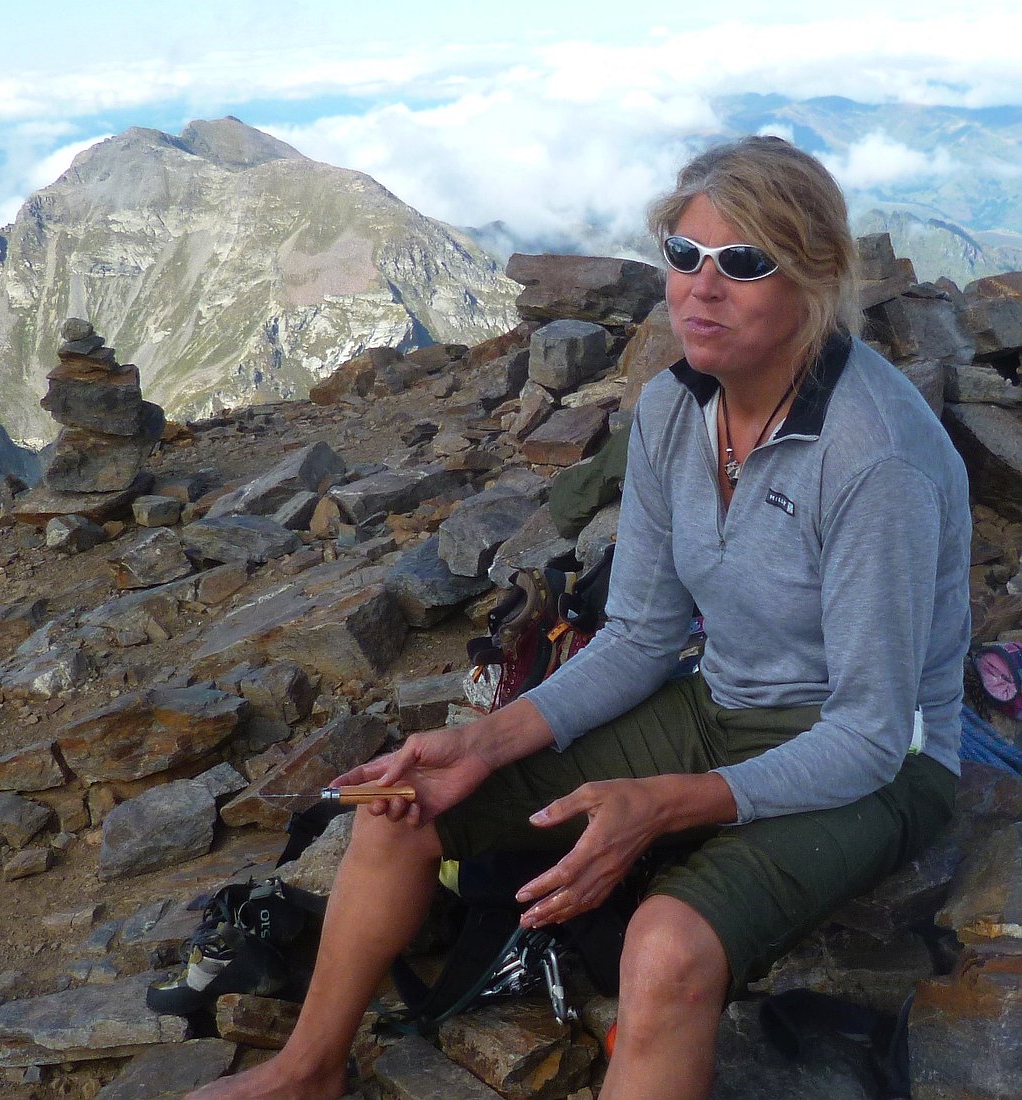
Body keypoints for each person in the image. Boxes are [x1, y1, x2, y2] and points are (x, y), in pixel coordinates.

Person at [183, 135, 971, 1100]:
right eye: (683, 255)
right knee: (407, 807)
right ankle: (305, 1071)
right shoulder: (675, 410)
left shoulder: (873, 459)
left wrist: (664, 804)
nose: (700, 289)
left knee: (665, 948)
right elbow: (641, 633)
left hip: (881, 761)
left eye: (743, 263)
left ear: (814, 280)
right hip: (722, 703)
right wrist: (483, 742)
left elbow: (869, 731)